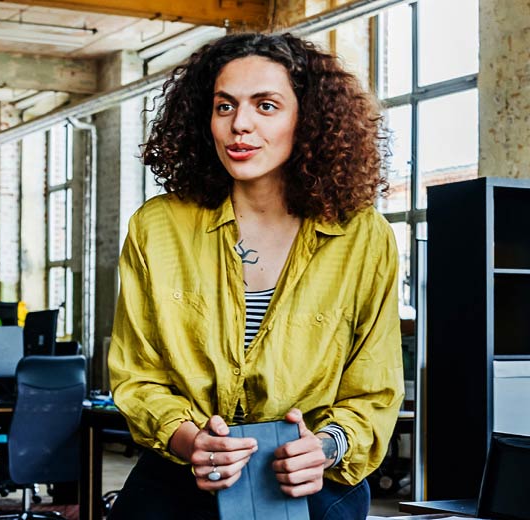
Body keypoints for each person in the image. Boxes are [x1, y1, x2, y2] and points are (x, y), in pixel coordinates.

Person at [107, 31, 404, 520]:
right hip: (180, 479)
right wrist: (191, 442)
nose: (239, 125)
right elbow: (139, 376)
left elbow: (373, 390)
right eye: (225, 107)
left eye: (266, 106)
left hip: (313, 486)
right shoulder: (156, 227)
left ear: (307, 120)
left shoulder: (364, 237)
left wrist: (326, 447)